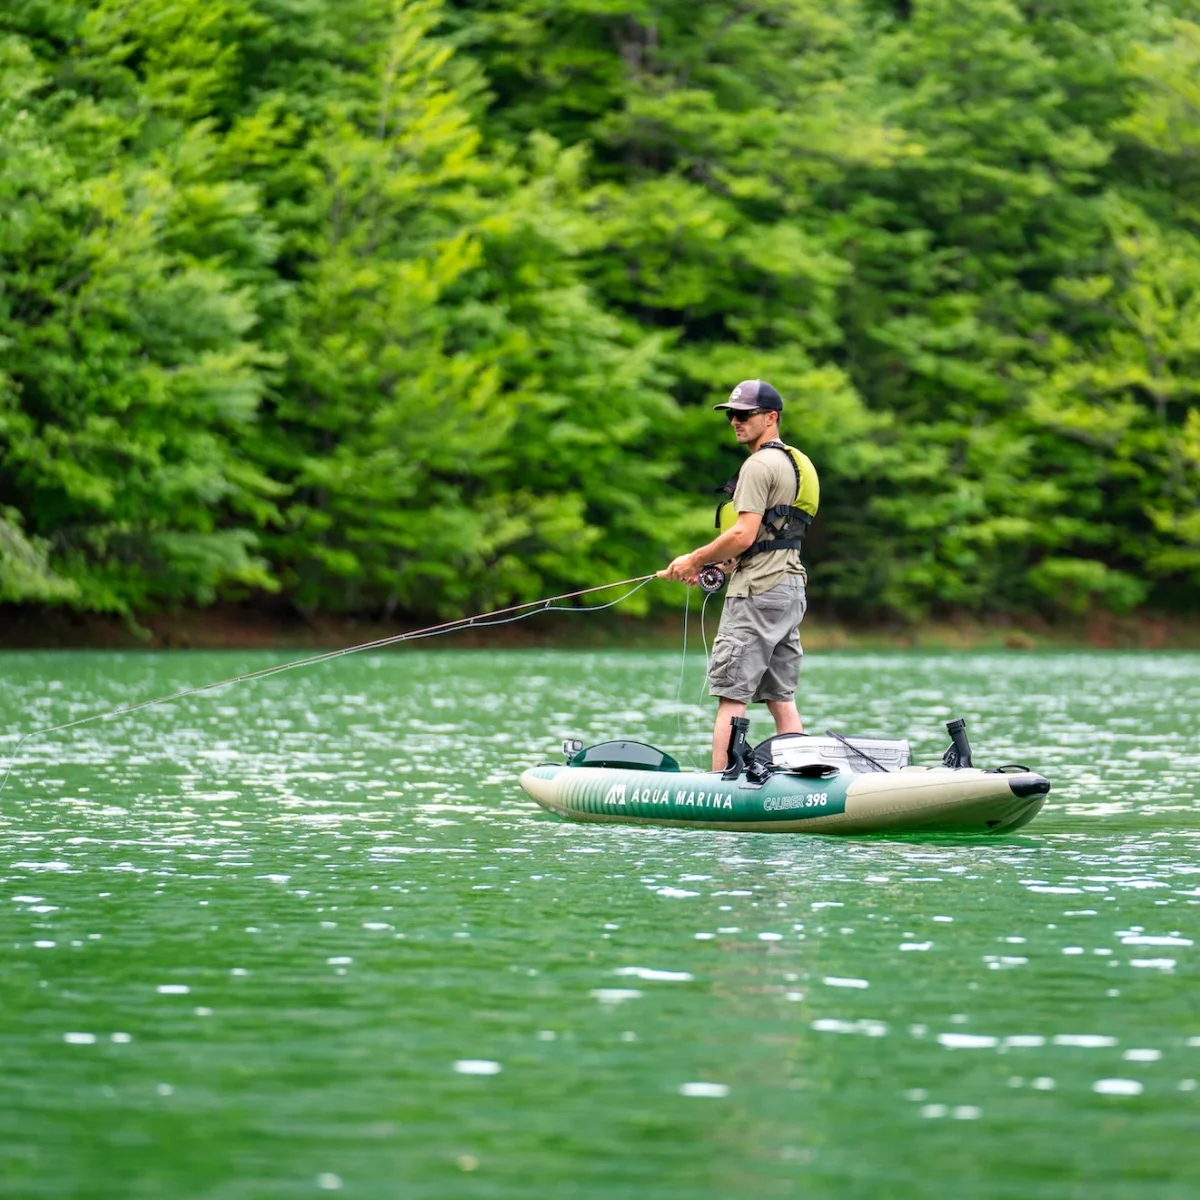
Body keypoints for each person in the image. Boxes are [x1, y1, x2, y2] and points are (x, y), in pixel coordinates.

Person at [658, 380, 819, 771]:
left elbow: (742, 533)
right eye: (732, 414)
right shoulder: (798, 463)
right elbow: (771, 538)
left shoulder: (758, 464)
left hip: (757, 592)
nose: (735, 420)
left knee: (731, 694)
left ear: (771, 417)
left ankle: (720, 787)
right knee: (781, 697)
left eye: (745, 414)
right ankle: (799, 778)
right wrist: (720, 565)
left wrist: (694, 560)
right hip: (789, 588)